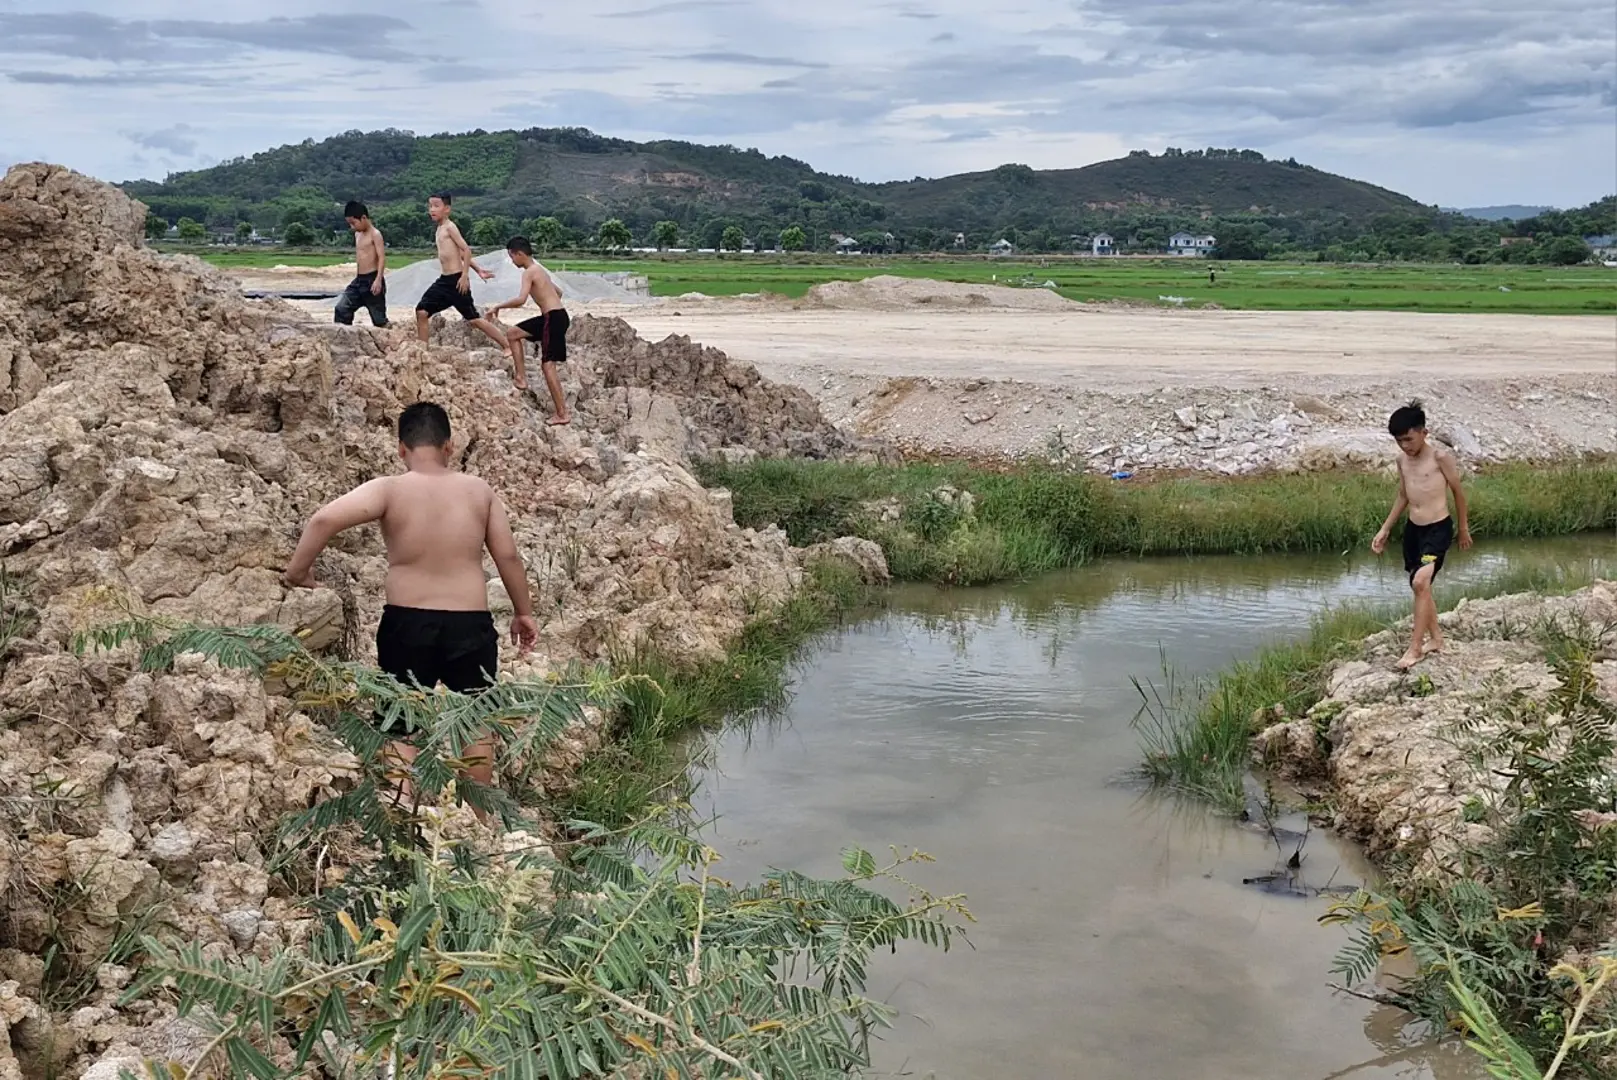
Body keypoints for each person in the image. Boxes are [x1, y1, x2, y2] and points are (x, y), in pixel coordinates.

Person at [282, 402, 540, 801]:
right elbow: (508, 556)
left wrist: (298, 573)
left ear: (401, 448)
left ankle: (400, 811)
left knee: (399, 722)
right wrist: (523, 612)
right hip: (468, 625)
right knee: (474, 722)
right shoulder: (478, 492)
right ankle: (478, 818)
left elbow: (322, 520)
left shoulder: (390, 489)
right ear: (449, 446)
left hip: (406, 625)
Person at [1371, 401, 1472, 670]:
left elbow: (1458, 494)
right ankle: (1436, 639)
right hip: (1413, 530)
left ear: (1423, 433)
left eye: (1409, 439)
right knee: (1420, 587)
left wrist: (1463, 528)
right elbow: (1403, 495)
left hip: (1438, 528)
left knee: (1420, 582)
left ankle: (1415, 649)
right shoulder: (1401, 460)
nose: (1405, 446)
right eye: (1399, 441)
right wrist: (1385, 528)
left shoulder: (1440, 458)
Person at [485, 236, 571, 423]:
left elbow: (521, 299)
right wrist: (547, 301)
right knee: (513, 333)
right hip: (555, 316)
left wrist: (498, 306)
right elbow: (559, 293)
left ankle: (562, 414)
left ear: (520, 254)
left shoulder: (529, 272)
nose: (512, 261)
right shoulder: (539, 270)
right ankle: (521, 378)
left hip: (553, 318)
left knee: (548, 366)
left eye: (512, 256)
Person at [413, 193, 505, 348]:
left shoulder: (450, 227)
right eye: (430, 206)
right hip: (444, 281)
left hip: (457, 281)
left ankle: (506, 345)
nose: (432, 209)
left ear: (447, 209)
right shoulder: (439, 229)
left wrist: (465, 276)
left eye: (436, 206)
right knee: (421, 311)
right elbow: (460, 254)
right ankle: (423, 349)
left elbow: (466, 250)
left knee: (474, 319)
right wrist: (479, 270)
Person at [334, 201, 388, 327]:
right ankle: (346, 337)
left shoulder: (375, 234)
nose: (352, 227)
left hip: (372, 279)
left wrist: (378, 280)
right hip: (359, 280)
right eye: (350, 224)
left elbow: (381, 257)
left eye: (354, 223)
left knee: (379, 320)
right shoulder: (357, 234)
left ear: (363, 218)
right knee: (342, 308)